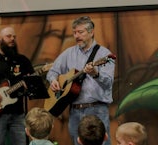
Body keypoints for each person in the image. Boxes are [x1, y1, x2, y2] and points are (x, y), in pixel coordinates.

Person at [46, 16, 115, 145]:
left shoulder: (105, 54)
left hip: (97, 109)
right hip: (75, 110)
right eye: (74, 32)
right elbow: (53, 71)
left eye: (80, 32)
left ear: (91, 32)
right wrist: (53, 80)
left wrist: (96, 74)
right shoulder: (69, 53)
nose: (76, 36)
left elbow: (108, 82)